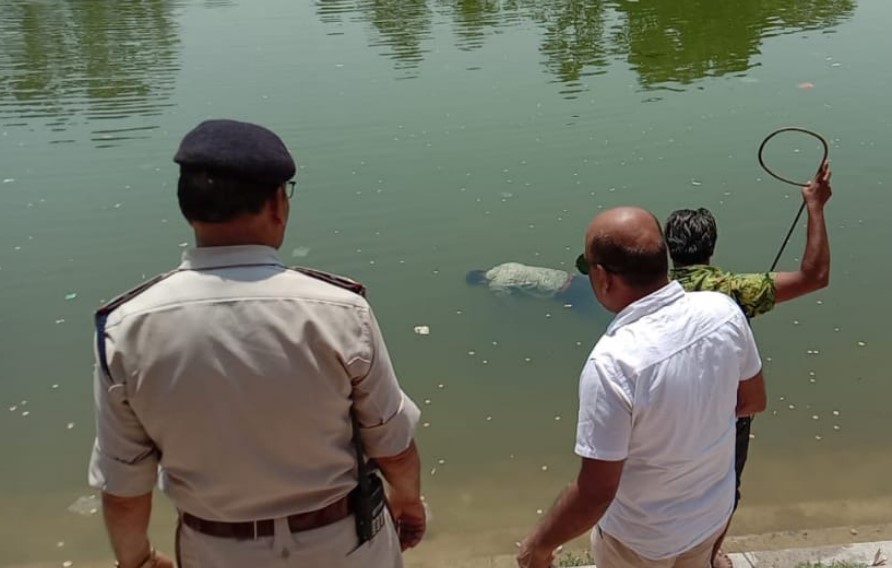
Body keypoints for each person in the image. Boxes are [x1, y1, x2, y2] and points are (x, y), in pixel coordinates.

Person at [88, 119, 425, 568]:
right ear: (277, 205)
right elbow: (392, 444)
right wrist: (407, 499)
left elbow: (125, 485)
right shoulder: (339, 312)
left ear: (187, 209)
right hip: (344, 543)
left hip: (216, 550)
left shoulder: (126, 330)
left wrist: (138, 558)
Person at [516, 207, 767, 568]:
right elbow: (752, 401)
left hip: (642, 540)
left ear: (602, 277)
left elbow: (595, 492)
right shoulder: (723, 312)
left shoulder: (613, 363)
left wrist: (536, 548)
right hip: (711, 516)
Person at [664, 161, 831, 567]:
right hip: (728, 414)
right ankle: (707, 555)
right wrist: (815, 207)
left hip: (664, 412)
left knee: (664, 486)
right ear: (712, 247)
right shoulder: (735, 291)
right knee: (723, 490)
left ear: (668, 248)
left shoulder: (652, 292)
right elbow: (814, 276)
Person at [466, 262, 599, 312]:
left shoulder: (496, 285)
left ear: (480, 283)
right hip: (573, 278)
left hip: (567, 293)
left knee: (597, 319)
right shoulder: (506, 265)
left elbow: (510, 306)